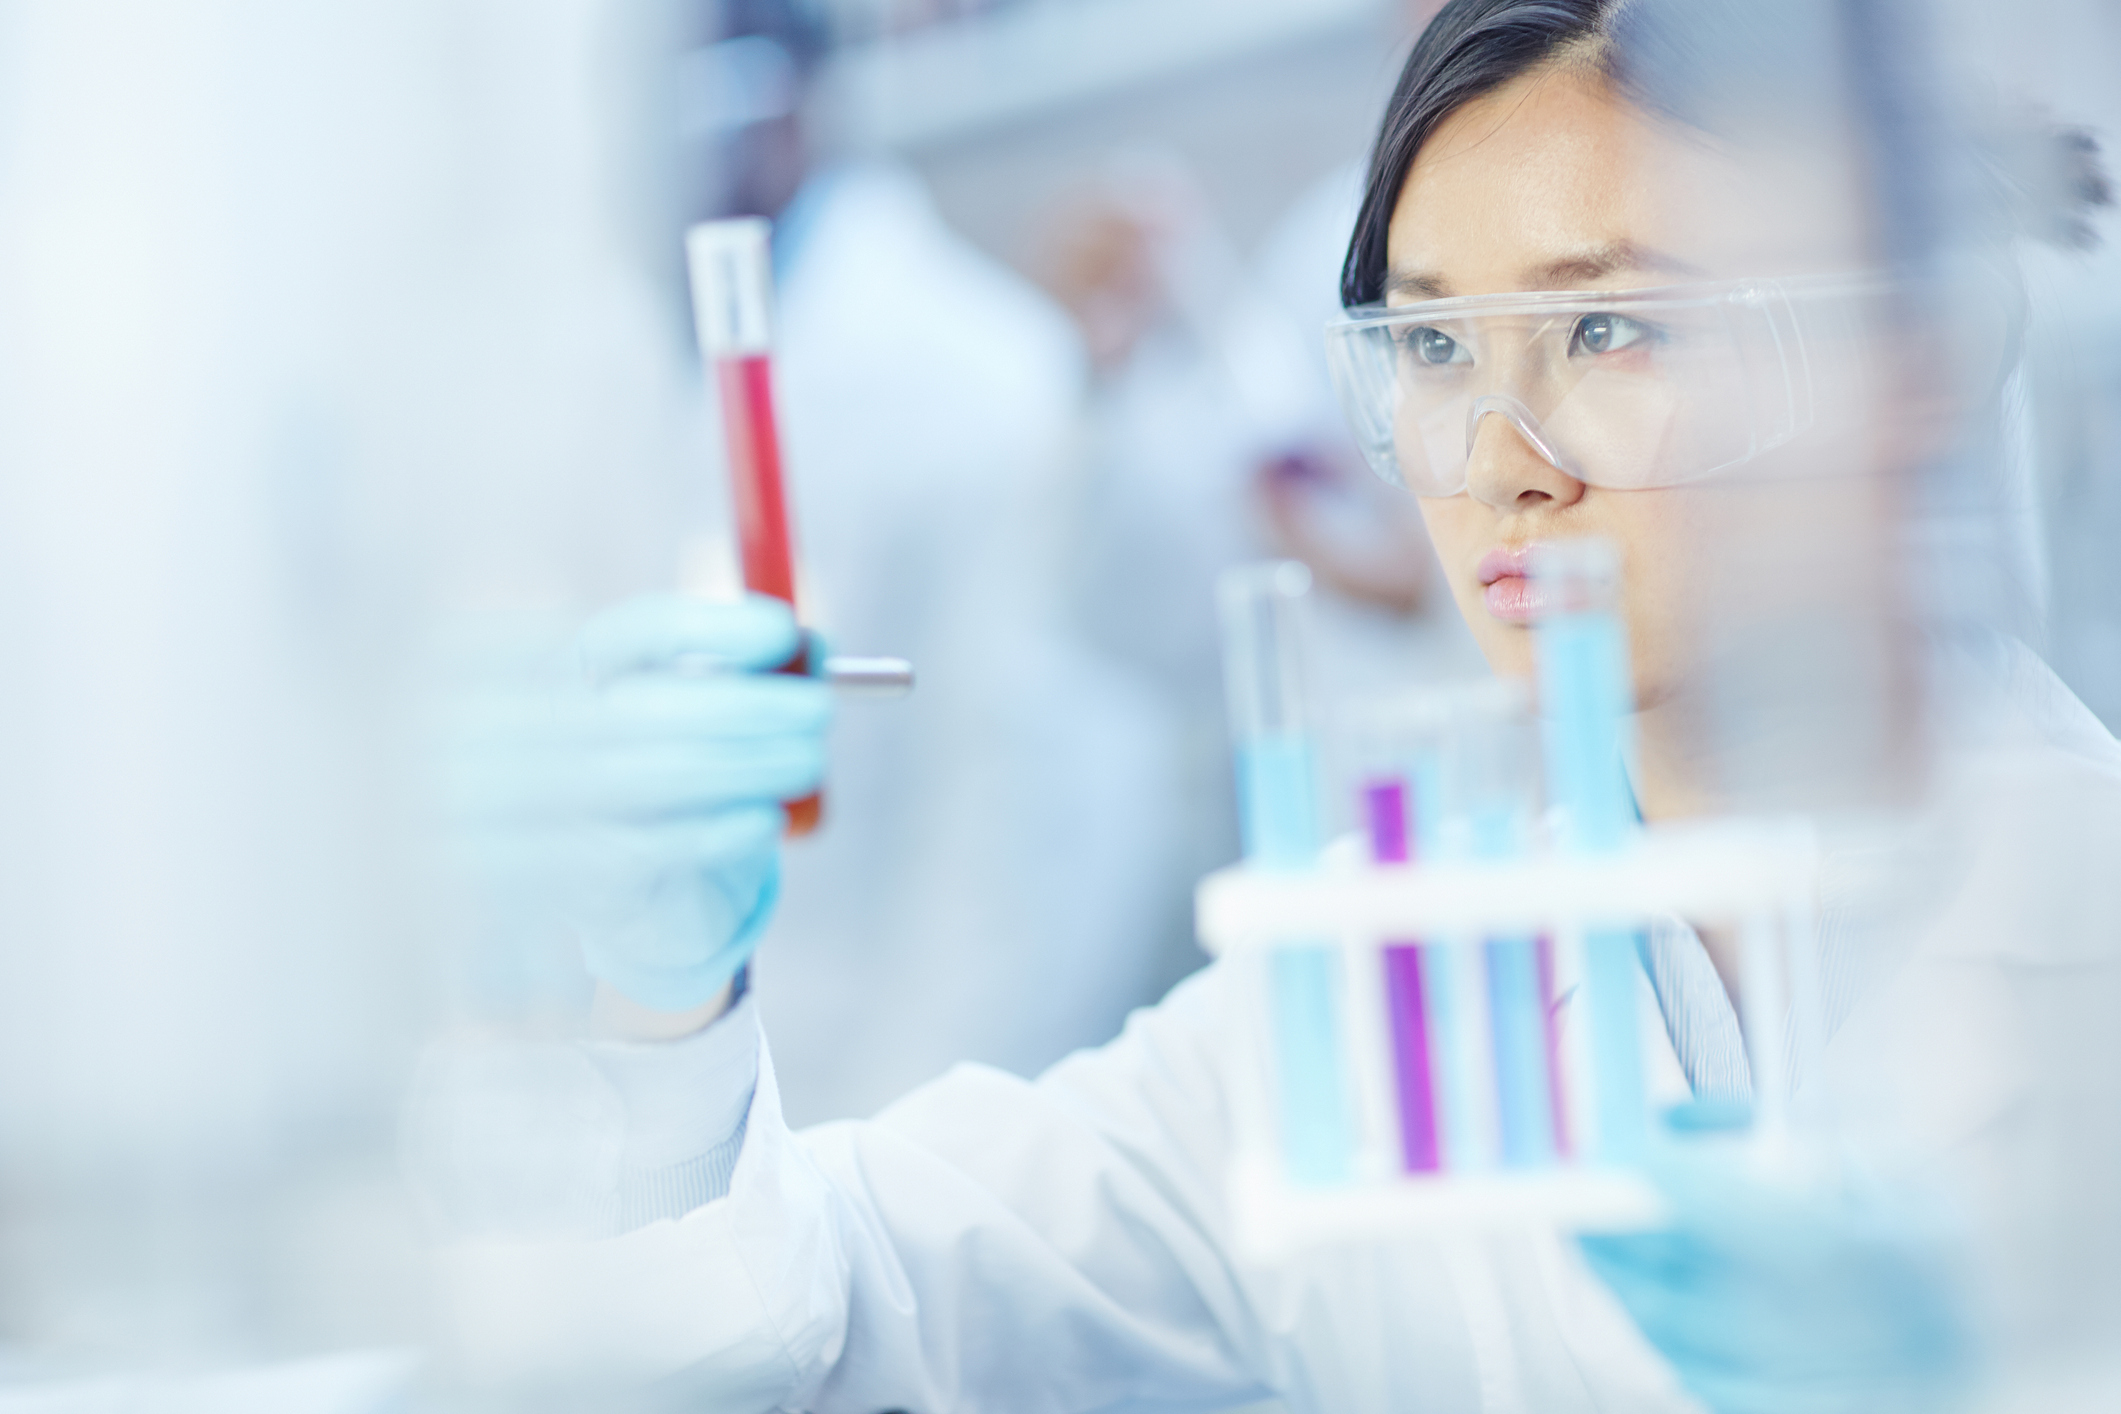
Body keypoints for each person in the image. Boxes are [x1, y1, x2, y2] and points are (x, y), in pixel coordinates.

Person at [431, 2, 2121, 1409]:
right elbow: (813, 1328)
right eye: (1438, 351)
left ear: (1902, 354)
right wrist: (664, 1012)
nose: (1489, 466)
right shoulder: (1369, 1014)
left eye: (1606, 323)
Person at [681, 0, 1185, 1124]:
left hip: (887, 1133)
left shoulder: (970, 379)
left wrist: (868, 1177)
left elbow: (1036, 836)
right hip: (707, 1126)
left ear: (781, 101)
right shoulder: (649, 359)